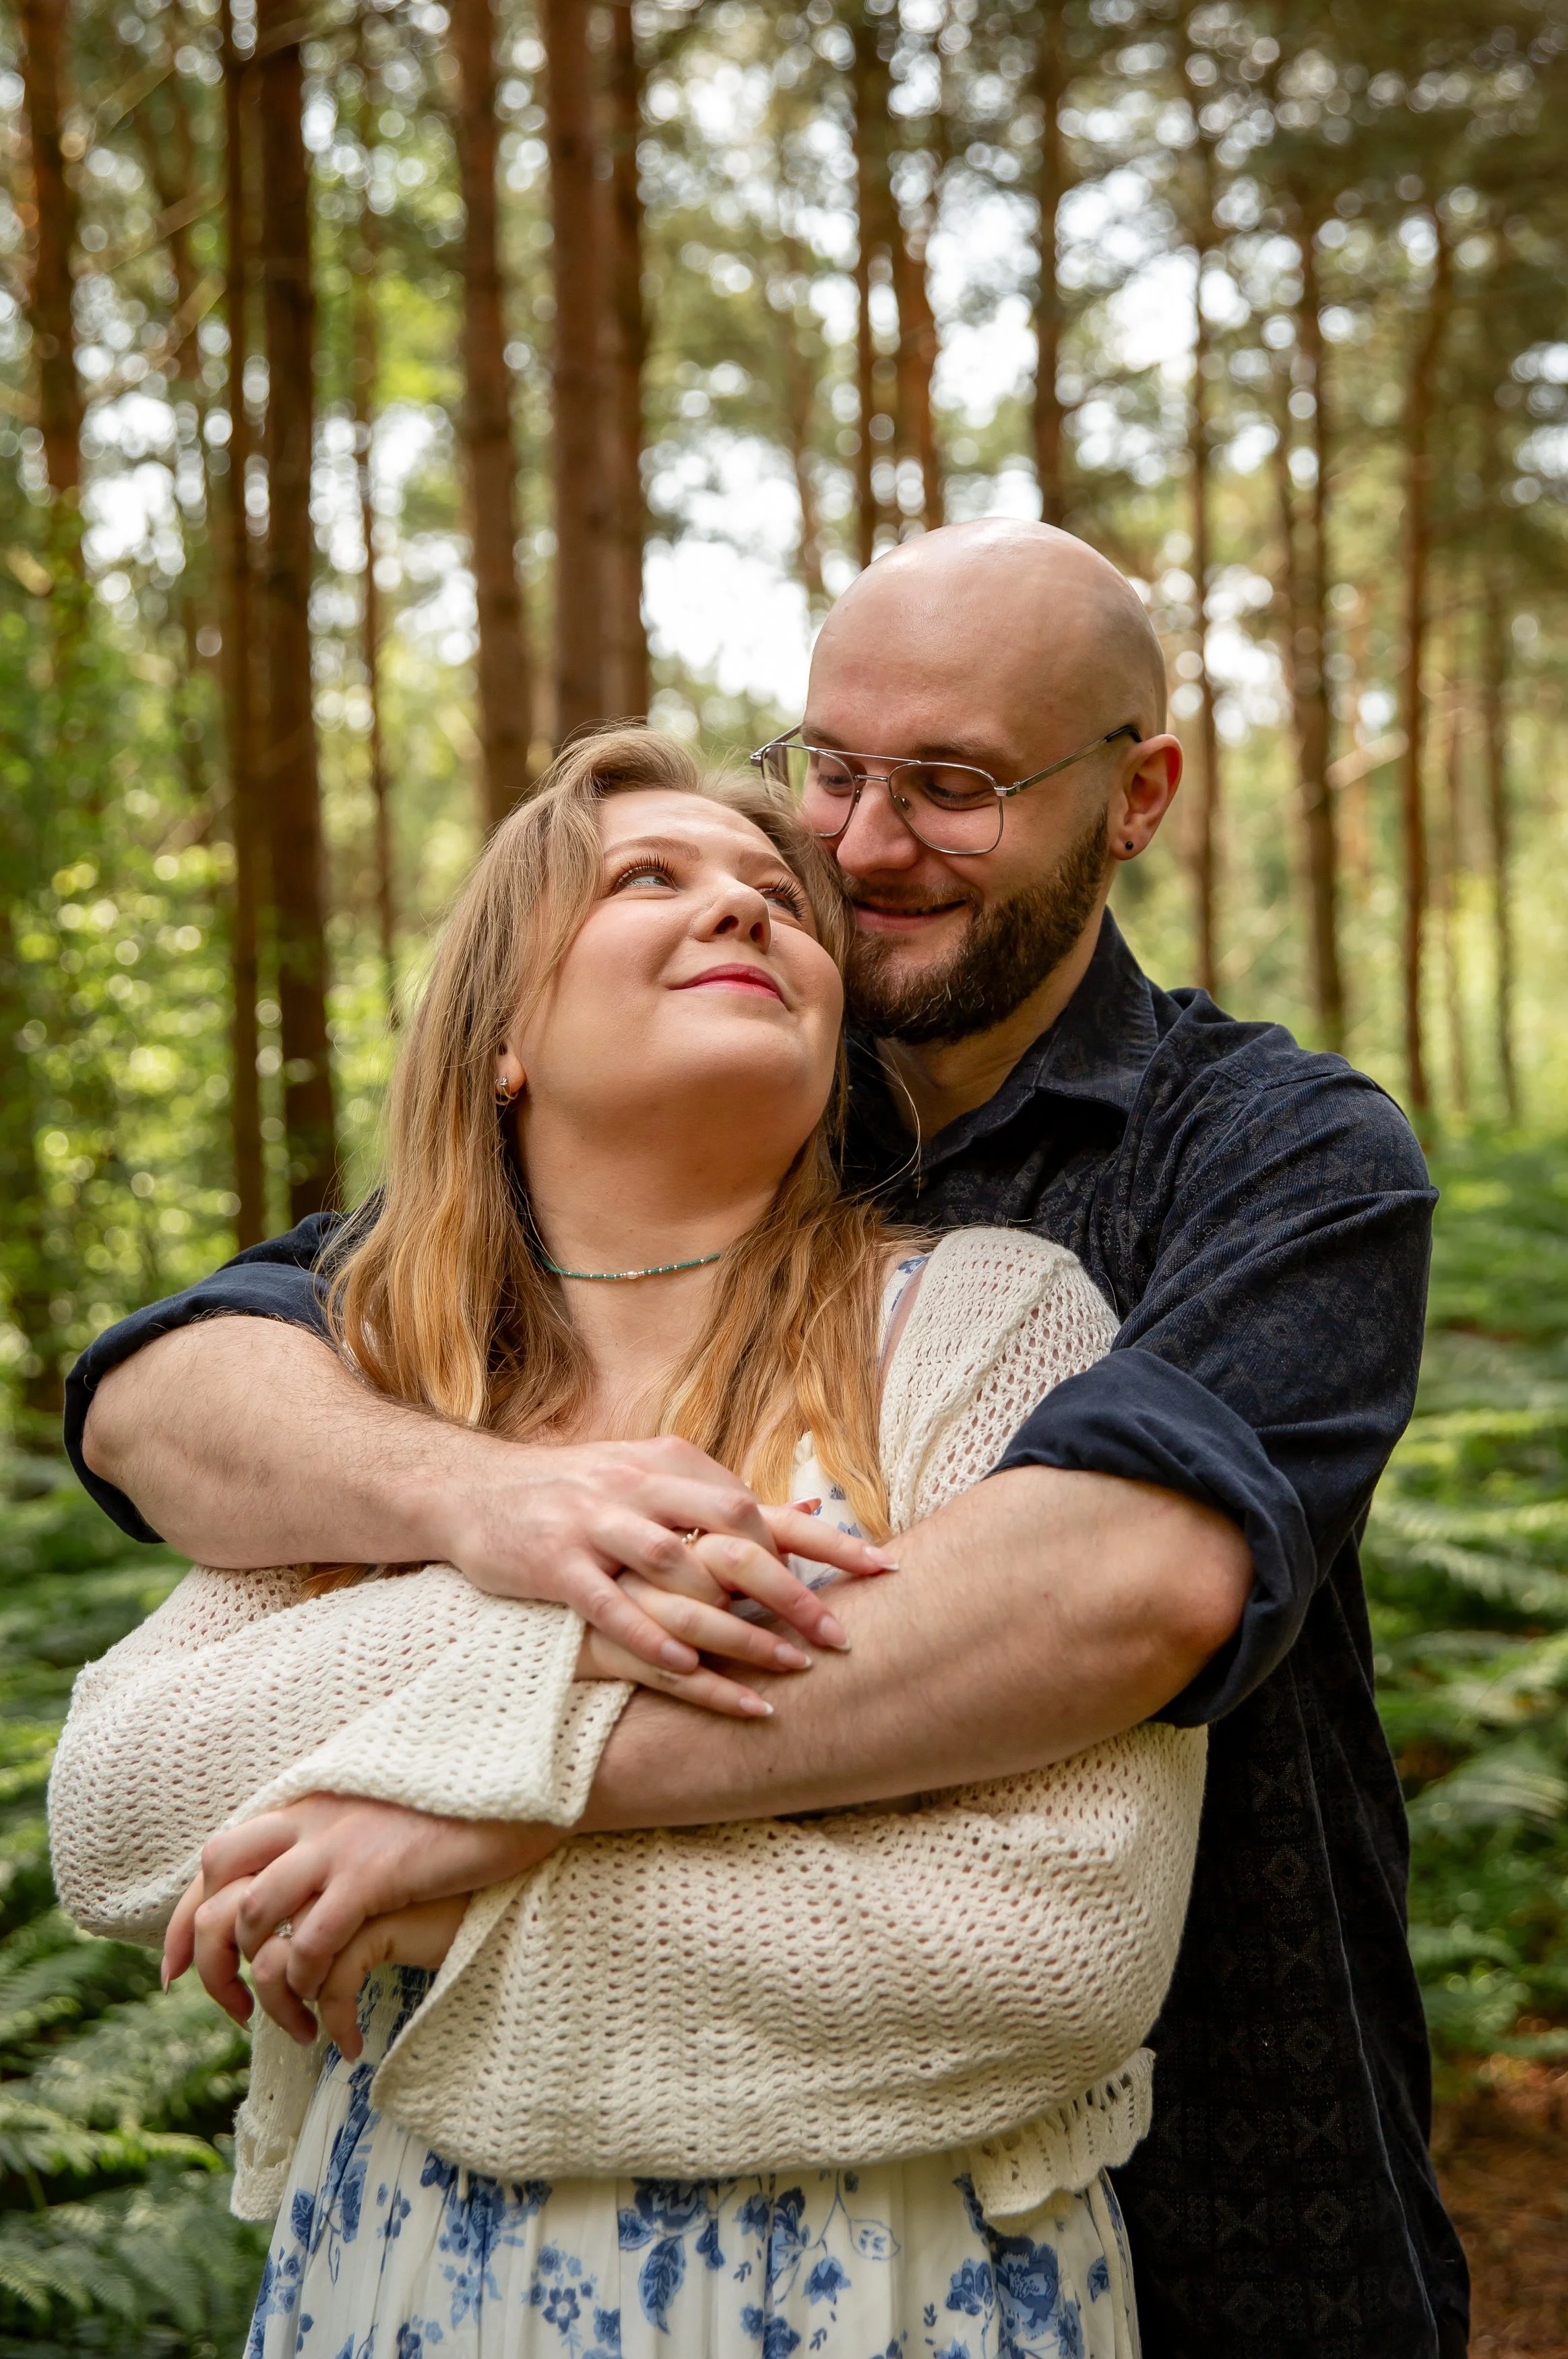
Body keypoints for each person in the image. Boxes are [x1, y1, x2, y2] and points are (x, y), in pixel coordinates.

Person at [61, 520, 1468, 2359]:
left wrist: (466, 1791)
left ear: (1136, 798)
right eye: (831, 768)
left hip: (1192, 2172)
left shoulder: (1261, 1159)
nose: (858, 848)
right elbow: (162, 1393)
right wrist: (491, 1500)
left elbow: (1114, 1601)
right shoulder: (635, 1173)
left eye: (953, 785)